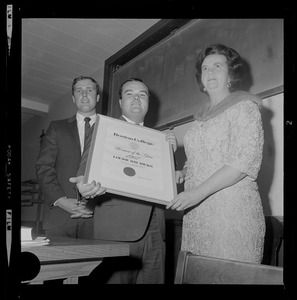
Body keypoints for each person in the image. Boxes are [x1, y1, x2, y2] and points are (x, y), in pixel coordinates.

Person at [70, 78, 177, 284]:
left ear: (148, 102)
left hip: (157, 231)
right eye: (129, 93)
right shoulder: (103, 130)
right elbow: (85, 170)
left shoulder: (160, 140)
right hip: (117, 230)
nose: (136, 98)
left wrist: (169, 154)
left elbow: (165, 185)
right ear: (120, 102)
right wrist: (84, 187)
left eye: (142, 94)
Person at [166, 44, 265, 264]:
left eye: (217, 66)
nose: (209, 72)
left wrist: (197, 193)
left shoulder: (244, 107)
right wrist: (181, 173)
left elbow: (243, 163)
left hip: (230, 213)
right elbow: (197, 162)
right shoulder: (200, 118)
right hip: (197, 215)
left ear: (231, 74)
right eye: (205, 68)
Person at [36, 75, 100, 239]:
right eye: (79, 91)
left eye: (89, 90)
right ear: (73, 98)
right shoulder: (57, 128)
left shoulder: (111, 130)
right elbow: (44, 167)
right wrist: (61, 201)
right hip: (60, 216)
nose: (84, 94)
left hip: (99, 219)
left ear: (97, 97)